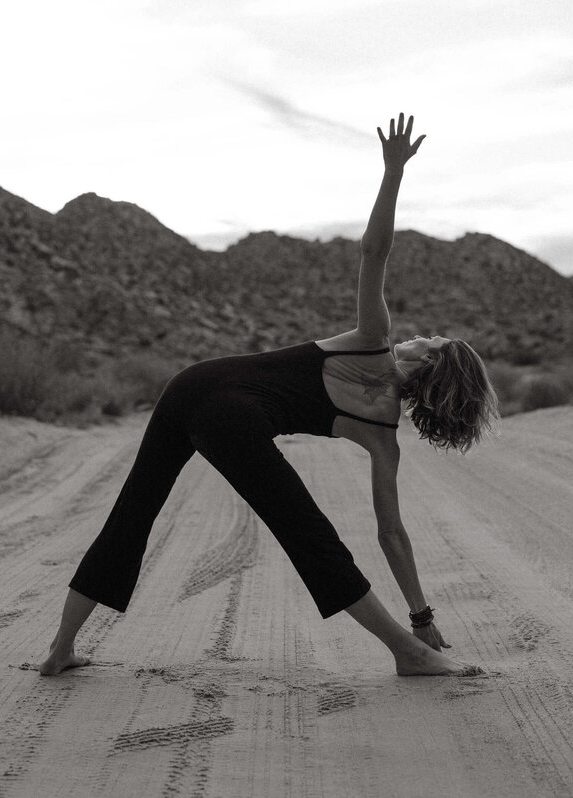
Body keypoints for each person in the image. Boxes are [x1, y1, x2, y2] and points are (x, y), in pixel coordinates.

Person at [39, 113, 498, 677]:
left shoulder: (371, 342)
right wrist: (420, 613)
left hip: (190, 385)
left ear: (430, 361)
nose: (424, 333)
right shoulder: (383, 433)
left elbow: (373, 253)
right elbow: (391, 534)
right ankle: (410, 651)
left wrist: (392, 173)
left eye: (434, 338)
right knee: (308, 534)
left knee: (132, 512)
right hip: (225, 413)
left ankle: (61, 649)